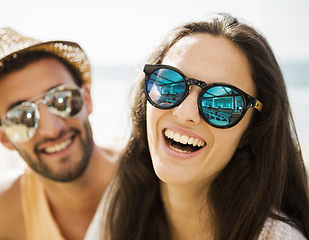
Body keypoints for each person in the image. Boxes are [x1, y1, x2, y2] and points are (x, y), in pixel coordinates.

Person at [96, 14, 309, 240]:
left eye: (223, 102)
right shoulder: (122, 201)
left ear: (252, 129)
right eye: (170, 83)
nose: (185, 113)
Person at [0, 27, 118, 240]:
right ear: (3, 137)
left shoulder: (150, 173)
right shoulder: (9, 208)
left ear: (87, 100)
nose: (52, 129)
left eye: (61, 99)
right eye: (21, 117)